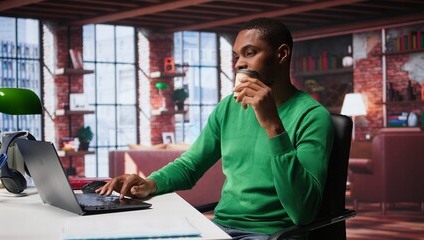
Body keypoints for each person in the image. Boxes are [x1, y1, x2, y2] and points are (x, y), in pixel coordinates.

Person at [98, 17, 334, 240]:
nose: (240, 63)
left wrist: (272, 124)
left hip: (271, 234)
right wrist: (149, 183)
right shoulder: (228, 108)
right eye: (237, 56)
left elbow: (303, 212)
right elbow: (190, 165)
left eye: (250, 53)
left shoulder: (312, 117)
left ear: (281, 54)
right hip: (219, 228)